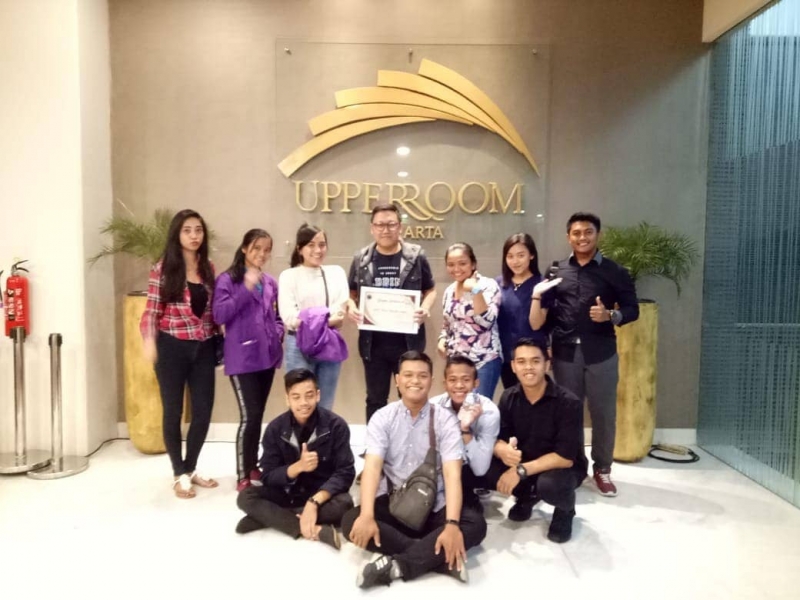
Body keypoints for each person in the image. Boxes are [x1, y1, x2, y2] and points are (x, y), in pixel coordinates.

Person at [342, 351, 487, 589]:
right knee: (351, 521)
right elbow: (373, 468)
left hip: (434, 505)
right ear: (397, 379)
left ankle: (398, 565)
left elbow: (452, 474)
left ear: (431, 380)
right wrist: (367, 515)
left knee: (476, 525)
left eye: (422, 375)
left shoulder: (445, 420)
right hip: (393, 503)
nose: (415, 381)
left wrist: (451, 524)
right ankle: (437, 560)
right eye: (408, 375)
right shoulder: (382, 417)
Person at [530, 212, 639, 497]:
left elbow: (632, 309)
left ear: (597, 234)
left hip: (601, 353)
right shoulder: (556, 270)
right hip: (565, 354)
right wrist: (547, 345)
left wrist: (610, 315)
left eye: (588, 232)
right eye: (576, 233)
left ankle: (602, 469)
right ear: (568, 237)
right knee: (569, 414)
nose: (582, 238)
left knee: (603, 414)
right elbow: (547, 312)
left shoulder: (615, 271)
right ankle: (575, 467)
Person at [140, 209, 219, 499]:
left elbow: (213, 311)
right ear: (177, 234)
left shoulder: (208, 267)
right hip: (171, 346)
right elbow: (152, 310)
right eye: (187, 230)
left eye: (198, 230)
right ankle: (178, 473)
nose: (194, 235)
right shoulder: (163, 269)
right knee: (173, 411)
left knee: (203, 411)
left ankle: (191, 467)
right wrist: (149, 341)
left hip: (203, 347)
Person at [235, 368, 355, 549]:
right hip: (287, 493)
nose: (303, 403)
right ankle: (310, 528)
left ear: (318, 395)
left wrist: (314, 502)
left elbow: (345, 472)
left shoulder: (336, 426)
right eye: (296, 397)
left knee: (345, 505)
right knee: (245, 497)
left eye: (309, 396)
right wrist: (297, 467)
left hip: (320, 495)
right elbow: (267, 476)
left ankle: (267, 518)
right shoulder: (275, 429)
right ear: (287, 399)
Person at [483, 338, 588, 543]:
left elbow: (565, 458)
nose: (528, 367)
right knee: (483, 467)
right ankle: (527, 496)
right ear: (513, 366)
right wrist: (502, 449)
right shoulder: (508, 397)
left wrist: (519, 471)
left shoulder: (569, 402)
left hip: (560, 468)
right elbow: (497, 439)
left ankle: (565, 509)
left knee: (550, 485)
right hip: (525, 461)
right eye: (521, 361)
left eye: (535, 361)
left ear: (547, 364)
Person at [347, 203, 436, 423]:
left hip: (408, 343)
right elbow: (351, 293)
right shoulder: (361, 259)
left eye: (390, 224)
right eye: (380, 225)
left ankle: (410, 440)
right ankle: (376, 441)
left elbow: (430, 290)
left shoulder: (416, 256)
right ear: (372, 228)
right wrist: (352, 307)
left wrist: (425, 308)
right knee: (375, 399)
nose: (385, 230)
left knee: (410, 397)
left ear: (400, 227)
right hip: (373, 344)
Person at [213, 229, 284, 492]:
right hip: (242, 357)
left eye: (266, 250)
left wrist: (277, 333)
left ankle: (253, 464)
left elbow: (277, 316)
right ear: (244, 249)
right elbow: (220, 314)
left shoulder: (271, 282)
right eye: (256, 248)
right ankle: (243, 473)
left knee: (258, 415)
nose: (262, 254)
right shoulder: (227, 280)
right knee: (249, 416)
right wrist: (246, 287)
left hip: (267, 356)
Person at [278, 224, 349, 411]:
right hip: (298, 344)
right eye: (311, 245)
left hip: (329, 342)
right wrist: (326, 318)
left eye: (322, 245)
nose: (318, 250)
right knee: (300, 405)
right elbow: (289, 317)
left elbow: (340, 312)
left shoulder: (336, 273)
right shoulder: (289, 276)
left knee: (325, 404)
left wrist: (308, 316)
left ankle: (321, 433)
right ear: (299, 248)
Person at [429, 355, 500, 511]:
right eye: (452, 380)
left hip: (470, 470)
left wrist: (465, 429)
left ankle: (468, 496)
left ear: (476, 383)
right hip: (441, 468)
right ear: (445, 383)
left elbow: (480, 469)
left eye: (466, 380)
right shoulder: (434, 406)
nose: (459, 385)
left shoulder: (488, 412)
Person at [437, 242, 503, 399]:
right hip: (456, 364)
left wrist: (474, 290)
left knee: (477, 408)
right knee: (457, 409)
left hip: (483, 361)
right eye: (451, 264)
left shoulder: (487, 285)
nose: (456, 269)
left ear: (473, 264)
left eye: (462, 263)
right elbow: (449, 322)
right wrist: (442, 338)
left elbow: (487, 322)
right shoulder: (449, 290)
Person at [496, 232, 549, 388]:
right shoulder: (497, 283)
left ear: (531, 255)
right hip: (507, 356)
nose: (515, 261)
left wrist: (536, 295)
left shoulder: (542, 284)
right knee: (512, 396)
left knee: (534, 395)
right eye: (510, 256)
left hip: (532, 356)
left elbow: (536, 324)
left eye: (521, 255)